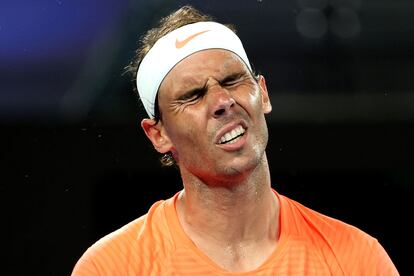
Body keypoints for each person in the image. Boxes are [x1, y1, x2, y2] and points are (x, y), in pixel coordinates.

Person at [72, 5, 399, 275]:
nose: (222, 101)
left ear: (264, 94)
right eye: (194, 95)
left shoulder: (357, 259)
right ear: (158, 134)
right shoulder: (114, 267)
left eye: (232, 80)